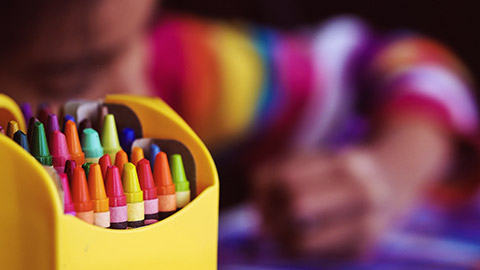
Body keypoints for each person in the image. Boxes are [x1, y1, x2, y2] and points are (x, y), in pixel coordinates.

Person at [0, 0, 478, 257]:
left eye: (144, 28)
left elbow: (402, 64)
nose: (135, 86)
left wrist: (390, 173)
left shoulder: (177, 69)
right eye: (69, 74)